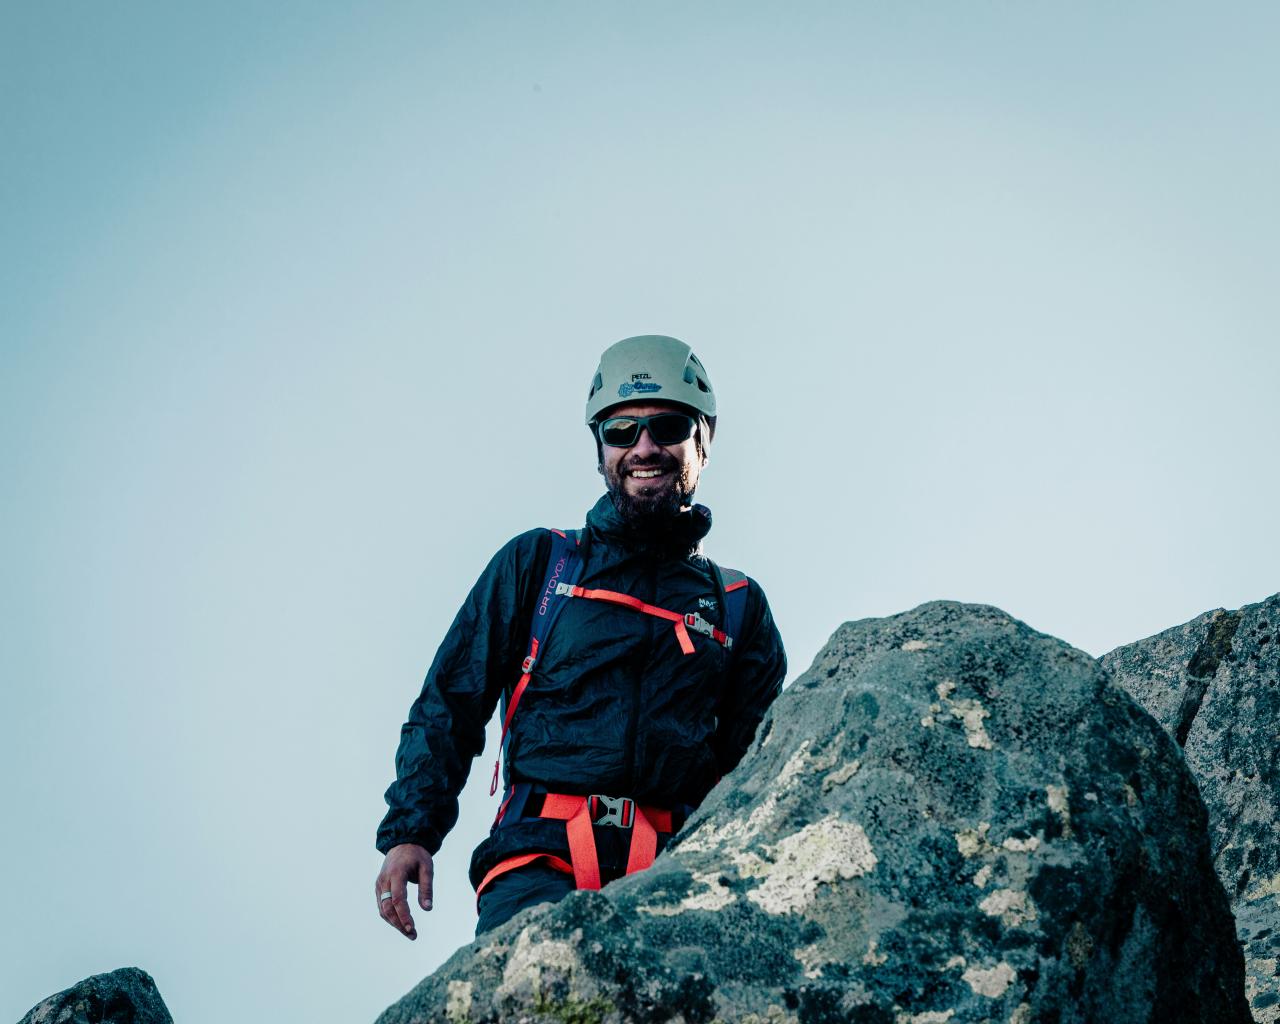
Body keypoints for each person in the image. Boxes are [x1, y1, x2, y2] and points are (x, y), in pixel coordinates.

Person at [374, 335, 787, 938]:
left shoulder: (738, 605)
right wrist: (412, 830)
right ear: (599, 450)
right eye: (622, 432)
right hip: (536, 862)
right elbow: (452, 701)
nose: (644, 447)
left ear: (704, 439)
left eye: (667, 426)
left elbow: (756, 772)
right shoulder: (538, 562)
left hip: (682, 876)